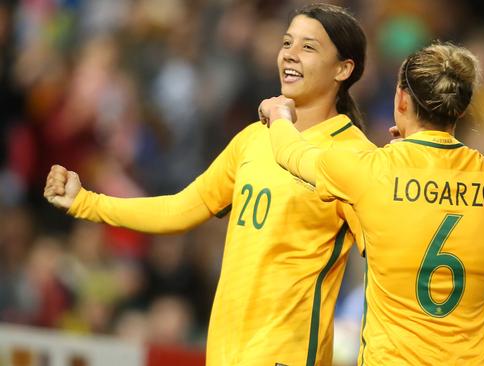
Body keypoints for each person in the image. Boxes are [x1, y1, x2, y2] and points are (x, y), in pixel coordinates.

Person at [43, 4, 374, 365]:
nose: (290, 55)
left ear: (344, 68)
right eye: (286, 42)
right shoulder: (253, 139)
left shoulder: (354, 156)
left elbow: (385, 257)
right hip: (224, 353)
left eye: (308, 47)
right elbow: (181, 208)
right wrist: (85, 202)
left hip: (287, 356)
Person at [261, 42, 484, 364]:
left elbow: (292, 154)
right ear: (461, 109)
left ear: (401, 99)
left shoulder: (372, 171)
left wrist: (279, 114)